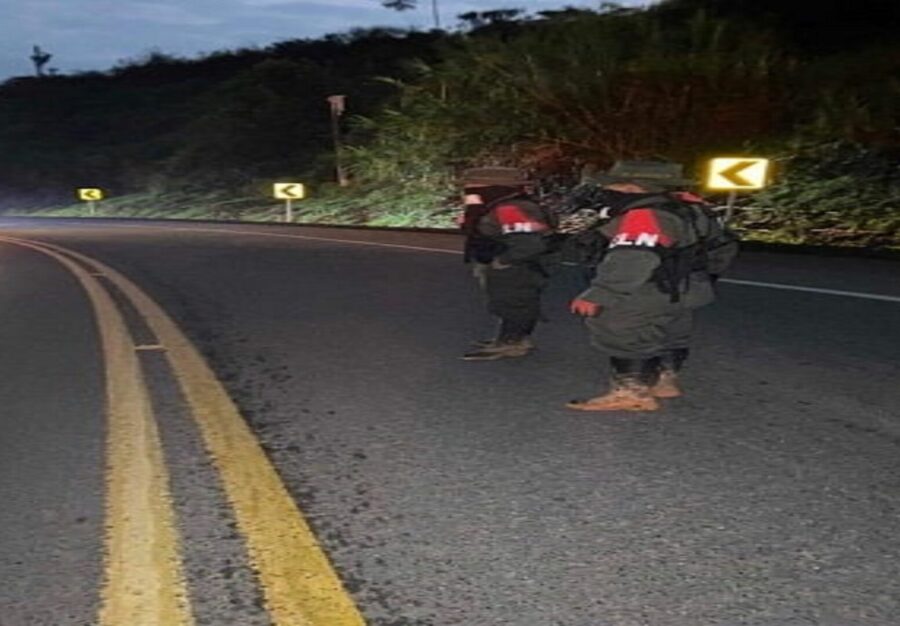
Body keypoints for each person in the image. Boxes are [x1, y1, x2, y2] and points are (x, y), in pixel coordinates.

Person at [566, 161, 739, 411]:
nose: (608, 191)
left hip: (647, 287)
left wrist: (600, 293)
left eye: (613, 185)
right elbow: (725, 247)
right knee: (671, 329)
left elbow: (632, 258)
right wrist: (703, 278)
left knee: (622, 330)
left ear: (631, 187)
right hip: (686, 286)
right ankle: (664, 380)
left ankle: (631, 393)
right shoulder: (694, 208)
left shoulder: (645, 214)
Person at [458, 166, 555, 361]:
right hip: (503, 262)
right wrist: (472, 209)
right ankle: (507, 338)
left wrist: (503, 261)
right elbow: (477, 230)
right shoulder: (493, 205)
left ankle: (513, 343)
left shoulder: (511, 208)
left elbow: (529, 243)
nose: (468, 190)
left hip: (516, 266)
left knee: (515, 303)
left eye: (474, 186)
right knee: (504, 301)